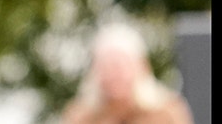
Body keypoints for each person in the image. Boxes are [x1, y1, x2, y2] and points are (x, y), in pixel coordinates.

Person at [61, 22, 194, 124]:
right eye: (107, 66)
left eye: (121, 65)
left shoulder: (167, 113)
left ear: (141, 67)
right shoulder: (82, 117)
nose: (115, 74)